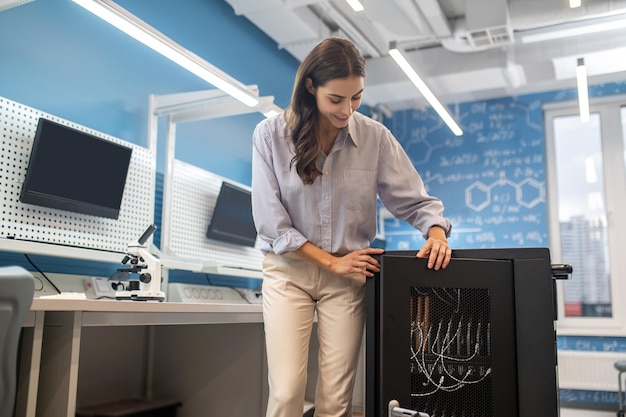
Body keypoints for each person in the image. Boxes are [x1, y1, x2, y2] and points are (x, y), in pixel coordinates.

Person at [251, 36, 452, 417]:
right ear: (310, 87)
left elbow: (415, 201)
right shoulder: (270, 136)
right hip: (289, 272)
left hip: (347, 278)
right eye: (336, 99)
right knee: (287, 392)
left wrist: (436, 232)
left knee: (335, 398)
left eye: (356, 97)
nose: (348, 109)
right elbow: (270, 223)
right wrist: (330, 262)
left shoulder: (374, 137)